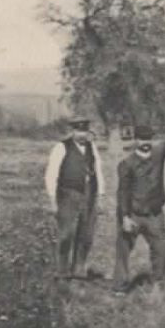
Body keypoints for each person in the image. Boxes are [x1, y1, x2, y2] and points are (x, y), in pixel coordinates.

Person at [112, 121, 165, 294]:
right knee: (123, 251)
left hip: (154, 215)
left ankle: (158, 283)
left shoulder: (158, 155)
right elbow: (122, 193)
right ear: (135, 140)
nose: (145, 143)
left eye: (148, 139)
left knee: (162, 249)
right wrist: (125, 217)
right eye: (142, 139)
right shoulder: (127, 164)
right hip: (133, 214)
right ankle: (119, 287)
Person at [43, 119, 103, 278]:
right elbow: (51, 175)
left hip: (89, 195)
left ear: (88, 131)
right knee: (66, 234)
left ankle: (79, 269)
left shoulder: (92, 147)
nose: (81, 134)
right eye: (78, 131)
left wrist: (100, 195)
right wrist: (52, 201)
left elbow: (98, 171)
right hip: (68, 194)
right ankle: (62, 271)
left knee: (86, 234)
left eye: (84, 131)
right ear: (73, 131)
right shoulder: (61, 147)